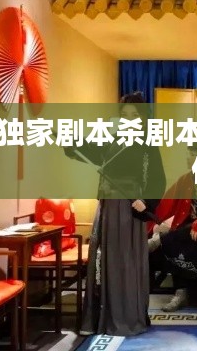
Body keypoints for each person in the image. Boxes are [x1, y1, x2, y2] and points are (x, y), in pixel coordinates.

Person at [64, 91, 166, 336]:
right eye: (125, 114)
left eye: (135, 115)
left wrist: (146, 201)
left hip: (129, 209)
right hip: (107, 207)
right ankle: (101, 318)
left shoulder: (147, 142)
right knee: (102, 259)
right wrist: (71, 139)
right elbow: (86, 149)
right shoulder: (111, 137)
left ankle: (127, 317)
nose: (129, 119)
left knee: (125, 261)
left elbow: (158, 178)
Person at [147, 142, 197, 312]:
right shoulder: (184, 180)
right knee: (176, 240)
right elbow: (166, 204)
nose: (188, 158)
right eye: (188, 154)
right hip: (187, 231)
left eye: (192, 155)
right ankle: (181, 293)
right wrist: (148, 220)